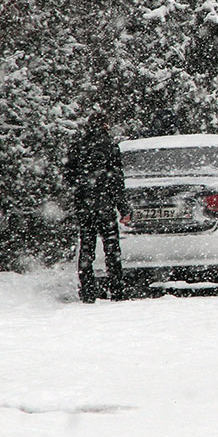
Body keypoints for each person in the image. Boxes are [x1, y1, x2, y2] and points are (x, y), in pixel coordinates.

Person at [64, 112, 132, 302]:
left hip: (84, 205)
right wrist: (123, 208)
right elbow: (116, 181)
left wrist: (83, 190)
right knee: (111, 249)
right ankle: (117, 292)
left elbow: (69, 178)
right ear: (105, 126)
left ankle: (87, 292)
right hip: (105, 205)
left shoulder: (78, 147)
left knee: (86, 248)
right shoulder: (110, 147)